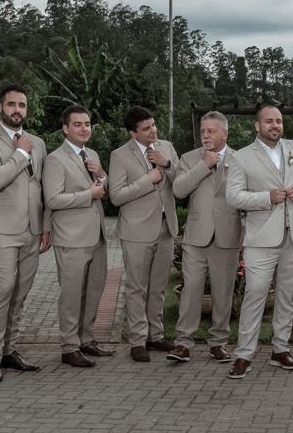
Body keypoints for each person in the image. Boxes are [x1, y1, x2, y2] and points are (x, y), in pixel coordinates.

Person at [224, 105, 293, 379]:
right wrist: (267, 198)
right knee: (255, 294)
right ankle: (244, 354)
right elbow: (233, 196)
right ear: (258, 126)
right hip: (261, 237)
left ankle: (281, 349)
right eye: (269, 121)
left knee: (287, 294)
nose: (275, 125)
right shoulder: (242, 157)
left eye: (278, 121)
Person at [0, 84, 47, 382]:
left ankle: (9, 350)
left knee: (20, 295)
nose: (17, 110)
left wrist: (46, 226)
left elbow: (41, 187)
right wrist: (19, 153)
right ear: (0, 108)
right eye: (12, 104)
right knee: (2, 292)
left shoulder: (38, 143)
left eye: (22, 105)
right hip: (1, 232)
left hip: (33, 230)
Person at [42, 104, 111, 367]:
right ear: (65, 128)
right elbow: (53, 199)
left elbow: (105, 190)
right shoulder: (55, 159)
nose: (84, 129)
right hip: (70, 237)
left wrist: (102, 174)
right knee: (71, 294)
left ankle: (86, 339)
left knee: (94, 290)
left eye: (87, 124)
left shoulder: (91, 154)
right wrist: (88, 195)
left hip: (97, 235)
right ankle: (69, 347)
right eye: (78, 124)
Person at [170, 111, 242, 363]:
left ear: (225, 132)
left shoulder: (241, 159)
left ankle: (218, 342)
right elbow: (178, 190)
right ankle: (183, 343)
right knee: (190, 290)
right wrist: (204, 165)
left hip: (228, 234)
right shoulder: (189, 158)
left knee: (223, 292)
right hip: (195, 237)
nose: (205, 135)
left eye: (211, 131)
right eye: (202, 131)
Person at [109, 106, 179, 362]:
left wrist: (167, 164)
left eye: (154, 125)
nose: (154, 130)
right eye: (147, 128)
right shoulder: (119, 156)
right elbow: (116, 196)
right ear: (133, 132)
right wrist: (147, 179)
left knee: (159, 287)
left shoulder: (167, 147)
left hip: (166, 226)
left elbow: (181, 181)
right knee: (137, 287)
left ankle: (156, 335)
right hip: (136, 230)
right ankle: (137, 340)